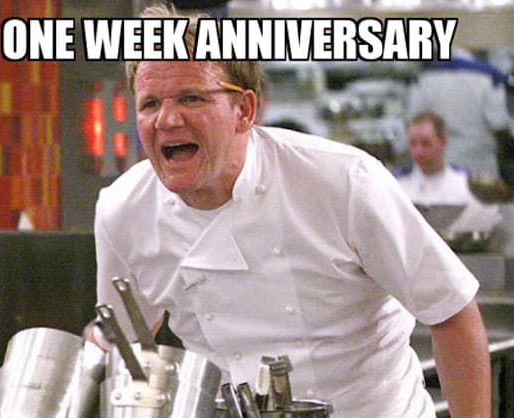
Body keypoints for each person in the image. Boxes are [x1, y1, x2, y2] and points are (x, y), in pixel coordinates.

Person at [91, 5, 491, 418]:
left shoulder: (342, 182)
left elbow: (452, 312)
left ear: (244, 110)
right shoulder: (124, 211)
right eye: (149, 103)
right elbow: (124, 342)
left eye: (191, 97)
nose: (166, 119)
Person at [408, 48, 512, 179]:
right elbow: (498, 123)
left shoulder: (424, 77)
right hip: (479, 162)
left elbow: (414, 120)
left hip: (439, 161)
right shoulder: (490, 76)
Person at [395, 112, 477, 206]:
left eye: (426, 144)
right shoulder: (398, 183)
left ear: (443, 142)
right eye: (413, 144)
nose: (418, 152)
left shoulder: (465, 183)